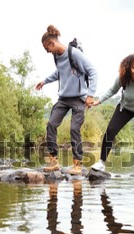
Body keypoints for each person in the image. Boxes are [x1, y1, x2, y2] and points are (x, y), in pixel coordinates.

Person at [35, 25, 98, 175]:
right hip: (63, 98)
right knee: (51, 124)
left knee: (74, 129)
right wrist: (45, 81)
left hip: (78, 98)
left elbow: (93, 72)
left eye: (47, 48)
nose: (47, 51)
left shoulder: (74, 54)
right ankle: (53, 160)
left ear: (52, 43)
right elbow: (60, 72)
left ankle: (77, 164)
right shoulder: (56, 57)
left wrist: (90, 95)